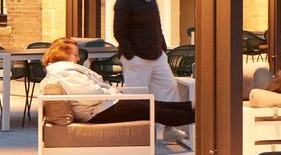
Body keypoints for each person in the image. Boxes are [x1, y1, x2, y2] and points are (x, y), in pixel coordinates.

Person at [113, 0, 188, 148]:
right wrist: (131, 55)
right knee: (137, 97)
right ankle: (138, 135)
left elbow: (157, 25)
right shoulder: (124, 1)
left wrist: (162, 47)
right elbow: (119, 31)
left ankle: (169, 128)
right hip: (137, 58)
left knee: (169, 88)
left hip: (157, 56)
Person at [40, 37, 195, 127]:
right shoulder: (65, 72)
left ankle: (191, 106)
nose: (78, 58)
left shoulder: (63, 70)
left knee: (150, 103)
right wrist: (110, 91)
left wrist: (111, 93)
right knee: (152, 109)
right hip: (97, 111)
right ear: (63, 55)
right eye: (75, 55)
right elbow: (92, 95)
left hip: (101, 106)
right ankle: (199, 118)